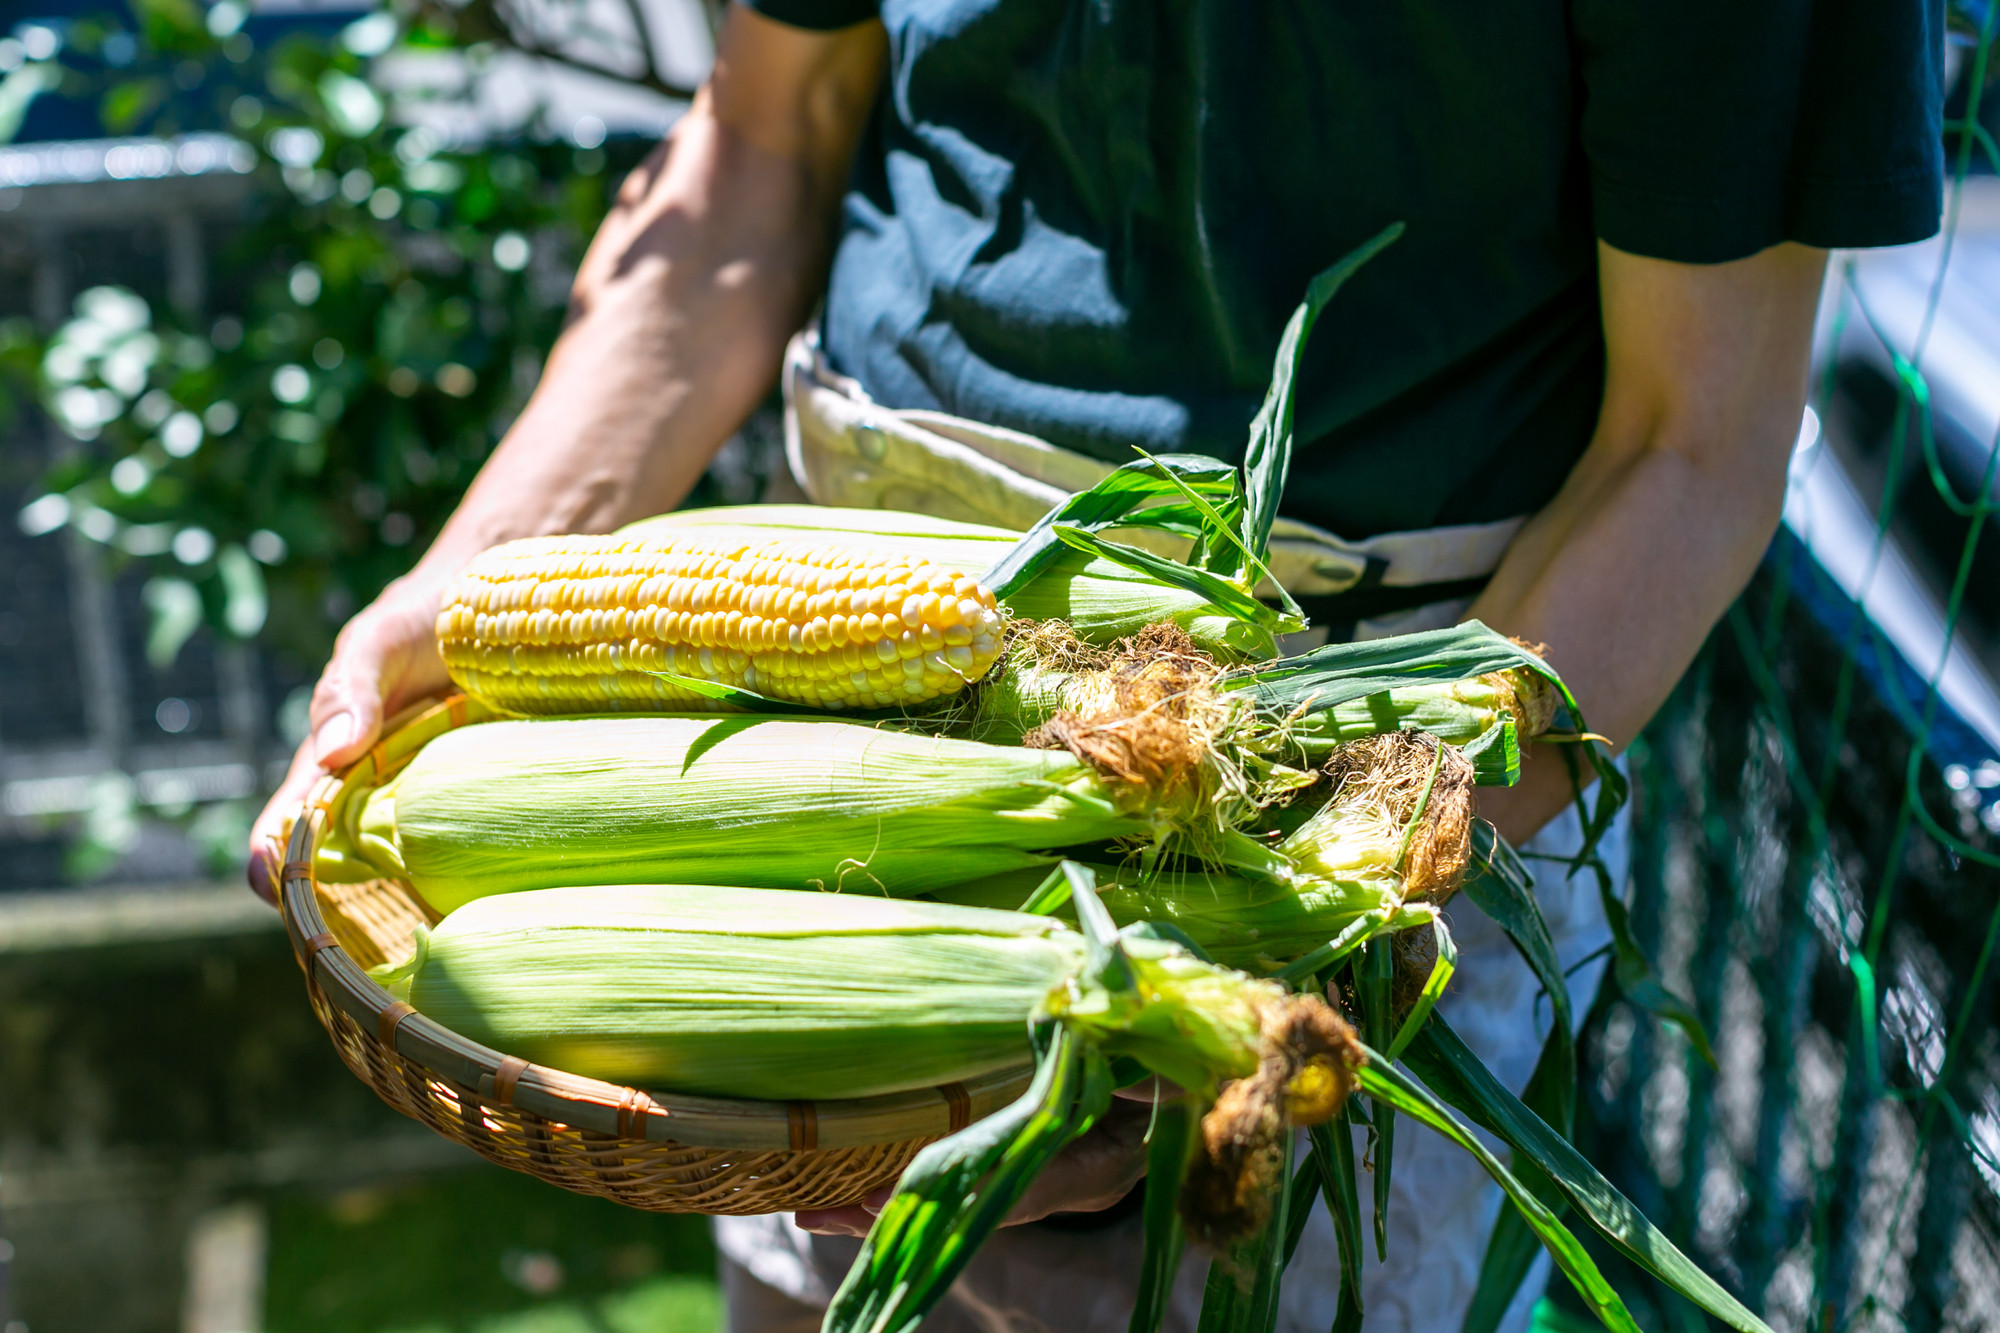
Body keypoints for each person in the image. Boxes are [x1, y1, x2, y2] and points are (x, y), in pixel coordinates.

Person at [248, 1, 1943, 1328]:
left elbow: (1691, 443)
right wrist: (473, 581)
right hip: (814, 649)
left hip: (1343, 740)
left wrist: (1300, 915)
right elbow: (769, 130)